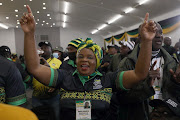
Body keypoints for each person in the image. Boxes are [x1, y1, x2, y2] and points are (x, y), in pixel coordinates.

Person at [20, 5, 157, 120]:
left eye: (90, 57)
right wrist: (29, 33)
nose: (84, 59)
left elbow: (139, 74)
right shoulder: (64, 77)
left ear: (97, 61)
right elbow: (34, 68)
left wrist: (147, 41)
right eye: (81, 56)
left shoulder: (108, 80)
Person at [115, 22, 180, 120]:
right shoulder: (127, 62)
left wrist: (176, 83)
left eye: (160, 32)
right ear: (141, 37)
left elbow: (174, 95)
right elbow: (121, 98)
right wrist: (145, 83)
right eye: (153, 32)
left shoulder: (171, 61)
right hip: (139, 115)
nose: (158, 35)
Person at [32, 41, 62, 120]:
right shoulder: (35, 62)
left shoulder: (58, 62)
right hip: (37, 96)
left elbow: (61, 77)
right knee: (37, 117)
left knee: (56, 116)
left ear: (51, 49)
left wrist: (49, 68)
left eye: (46, 47)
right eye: (41, 48)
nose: (43, 49)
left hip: (53, 97)